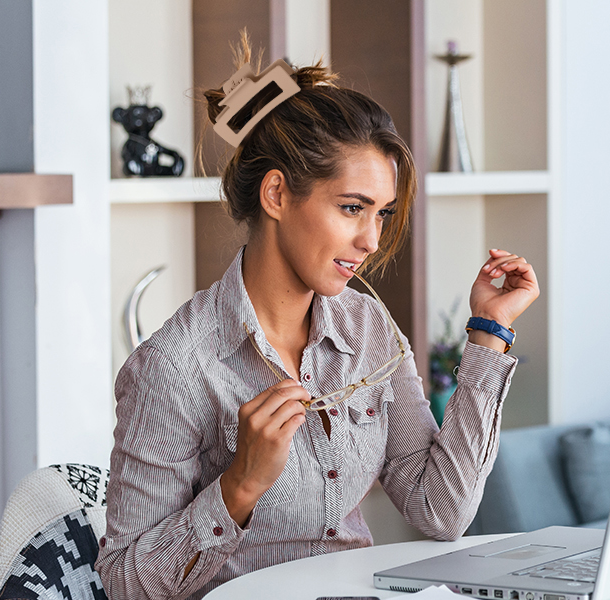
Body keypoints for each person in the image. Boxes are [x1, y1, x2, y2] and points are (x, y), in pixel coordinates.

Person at [95, 40, 539, 600]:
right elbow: (122, 586)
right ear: (277, 193)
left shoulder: (368, 328)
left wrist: (488, 334)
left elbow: (441, 510)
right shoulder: (178, 365)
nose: (371, 240)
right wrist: (239, 487)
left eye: (382, 214)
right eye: (352, 208)